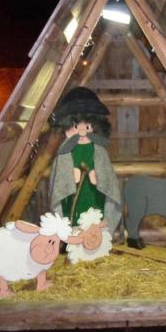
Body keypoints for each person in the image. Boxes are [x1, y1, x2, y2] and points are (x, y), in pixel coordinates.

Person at [48, 87, 121, 250]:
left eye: (87, 126)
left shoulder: (99, 150)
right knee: (73, 217)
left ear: (96, 126)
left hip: (94, 194)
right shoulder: (64, 151)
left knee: (94, 215)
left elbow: (108, 178)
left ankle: (94, 242)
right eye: (75, 126)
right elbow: (59, 182)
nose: (81, 131)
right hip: (72, 197)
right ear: (65, 126)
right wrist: (71, 177)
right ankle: (72, 243)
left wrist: (97, 177)